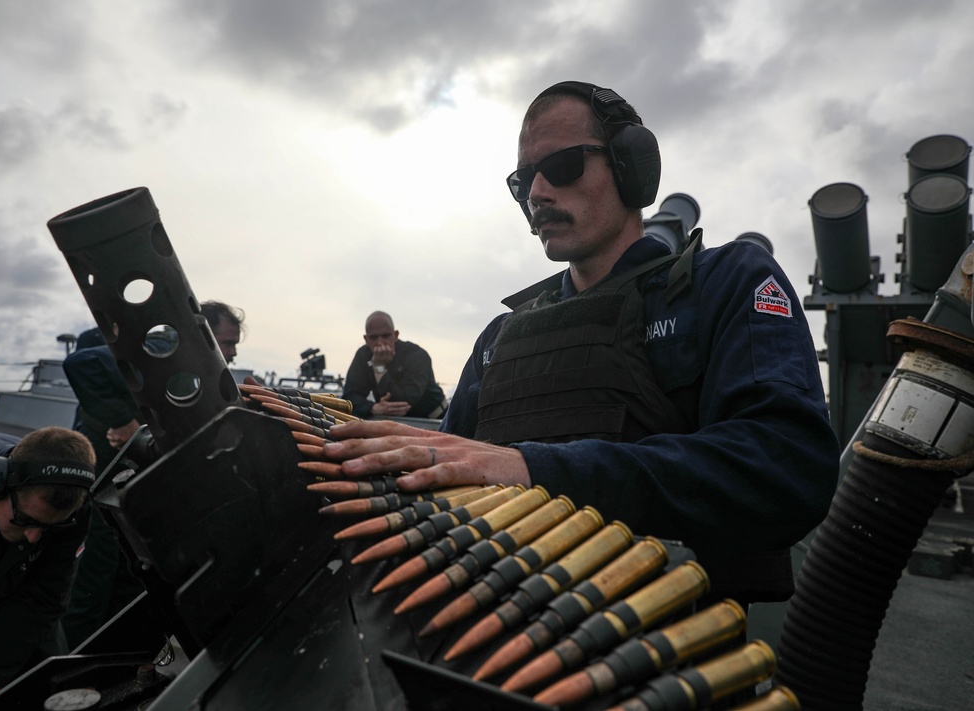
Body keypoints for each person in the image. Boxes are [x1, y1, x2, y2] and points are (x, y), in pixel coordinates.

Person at [321, 81, 840, 609]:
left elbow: (787, 467)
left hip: (657, 639)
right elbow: (448, 468)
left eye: (563, 166)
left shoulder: (722, 285)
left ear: (632, 168)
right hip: (489, 618)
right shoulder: (501, 337)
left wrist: (536, 471)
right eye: (523, 180)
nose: (537, 193)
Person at [58, 300, 245, 649]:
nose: (232, 353)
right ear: (202, 333)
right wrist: (123, 422)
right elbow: (83, 364)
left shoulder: (185, 364)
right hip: (107, 480)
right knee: (97, 574)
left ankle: (116, 654)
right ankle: (77, 660)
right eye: (228, 342)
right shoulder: (165, 349)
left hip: (126, 483)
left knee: (129, 573)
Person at [0, 427, 96, 705]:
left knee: (51, 690)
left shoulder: (73, 508)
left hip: (11, 603)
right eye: (25, 520)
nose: (33, 538)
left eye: (47, 528)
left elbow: (43, 596)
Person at [341, 311, 449, 419]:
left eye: (386, 336)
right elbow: (349, 397)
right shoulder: (363, 356)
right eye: (374, 337)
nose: (380, 343)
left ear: (395, 335)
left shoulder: (417, 356)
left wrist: (379, 368)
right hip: (393, 422)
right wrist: (372, 407)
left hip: (434, 420)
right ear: (366, 339)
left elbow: (402, 403)